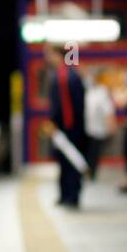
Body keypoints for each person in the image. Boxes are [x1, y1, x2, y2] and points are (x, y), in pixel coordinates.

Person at [45, 43, 88, 208]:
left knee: (71, 160)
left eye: (49, 54)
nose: (47, 58)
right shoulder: (65, 74)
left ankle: (72, 195)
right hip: (64, 127)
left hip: (69, 127)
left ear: (58, 55)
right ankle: (65, 194)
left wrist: (63, 125)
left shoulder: (65, 76)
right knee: (64, 161)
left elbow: (73, 105)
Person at [83, 68, 115, 181]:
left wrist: (110, 125)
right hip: (87, 128)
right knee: (86, 152)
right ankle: (86, 171)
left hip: (98, 130)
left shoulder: (102, 92)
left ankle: (91, 173)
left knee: (94, 153)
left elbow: (108, 111)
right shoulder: (87, 91)